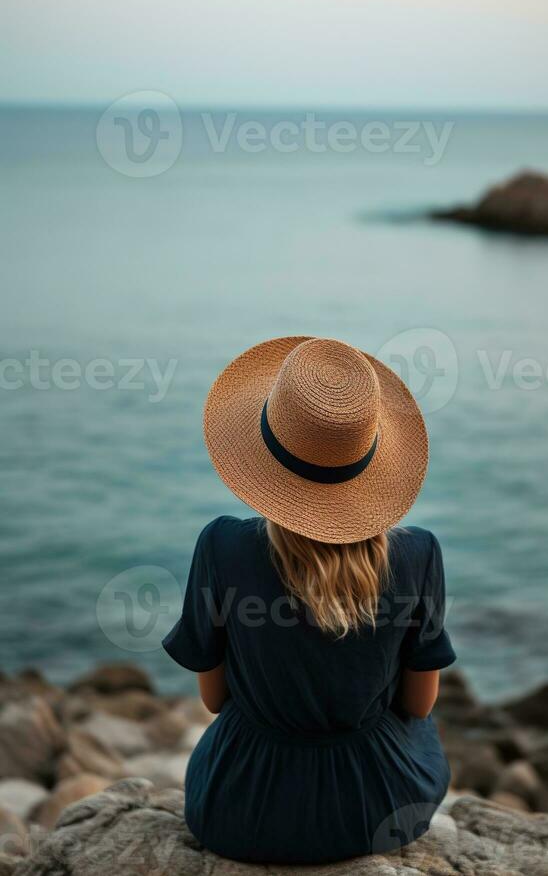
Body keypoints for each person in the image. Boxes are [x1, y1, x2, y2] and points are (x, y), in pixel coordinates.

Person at [162, 336, 456, 864]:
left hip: (240, 812)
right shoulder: (419, 554)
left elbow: (213, 700)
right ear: (371, 457)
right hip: (378, 812)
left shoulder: (222, 546)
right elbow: (418, 705)